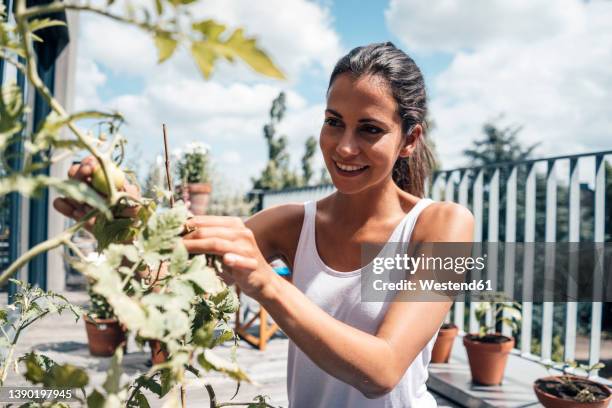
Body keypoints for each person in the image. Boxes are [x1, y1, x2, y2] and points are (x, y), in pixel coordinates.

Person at [55, 42, 473, 407]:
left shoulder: (445, 225)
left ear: (410, 139)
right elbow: (167, 284)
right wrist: (116, 225)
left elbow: (383, 370)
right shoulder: (292, 224)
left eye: (370, 129)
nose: (345, 147)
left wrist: (267, 283)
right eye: (333, 122)